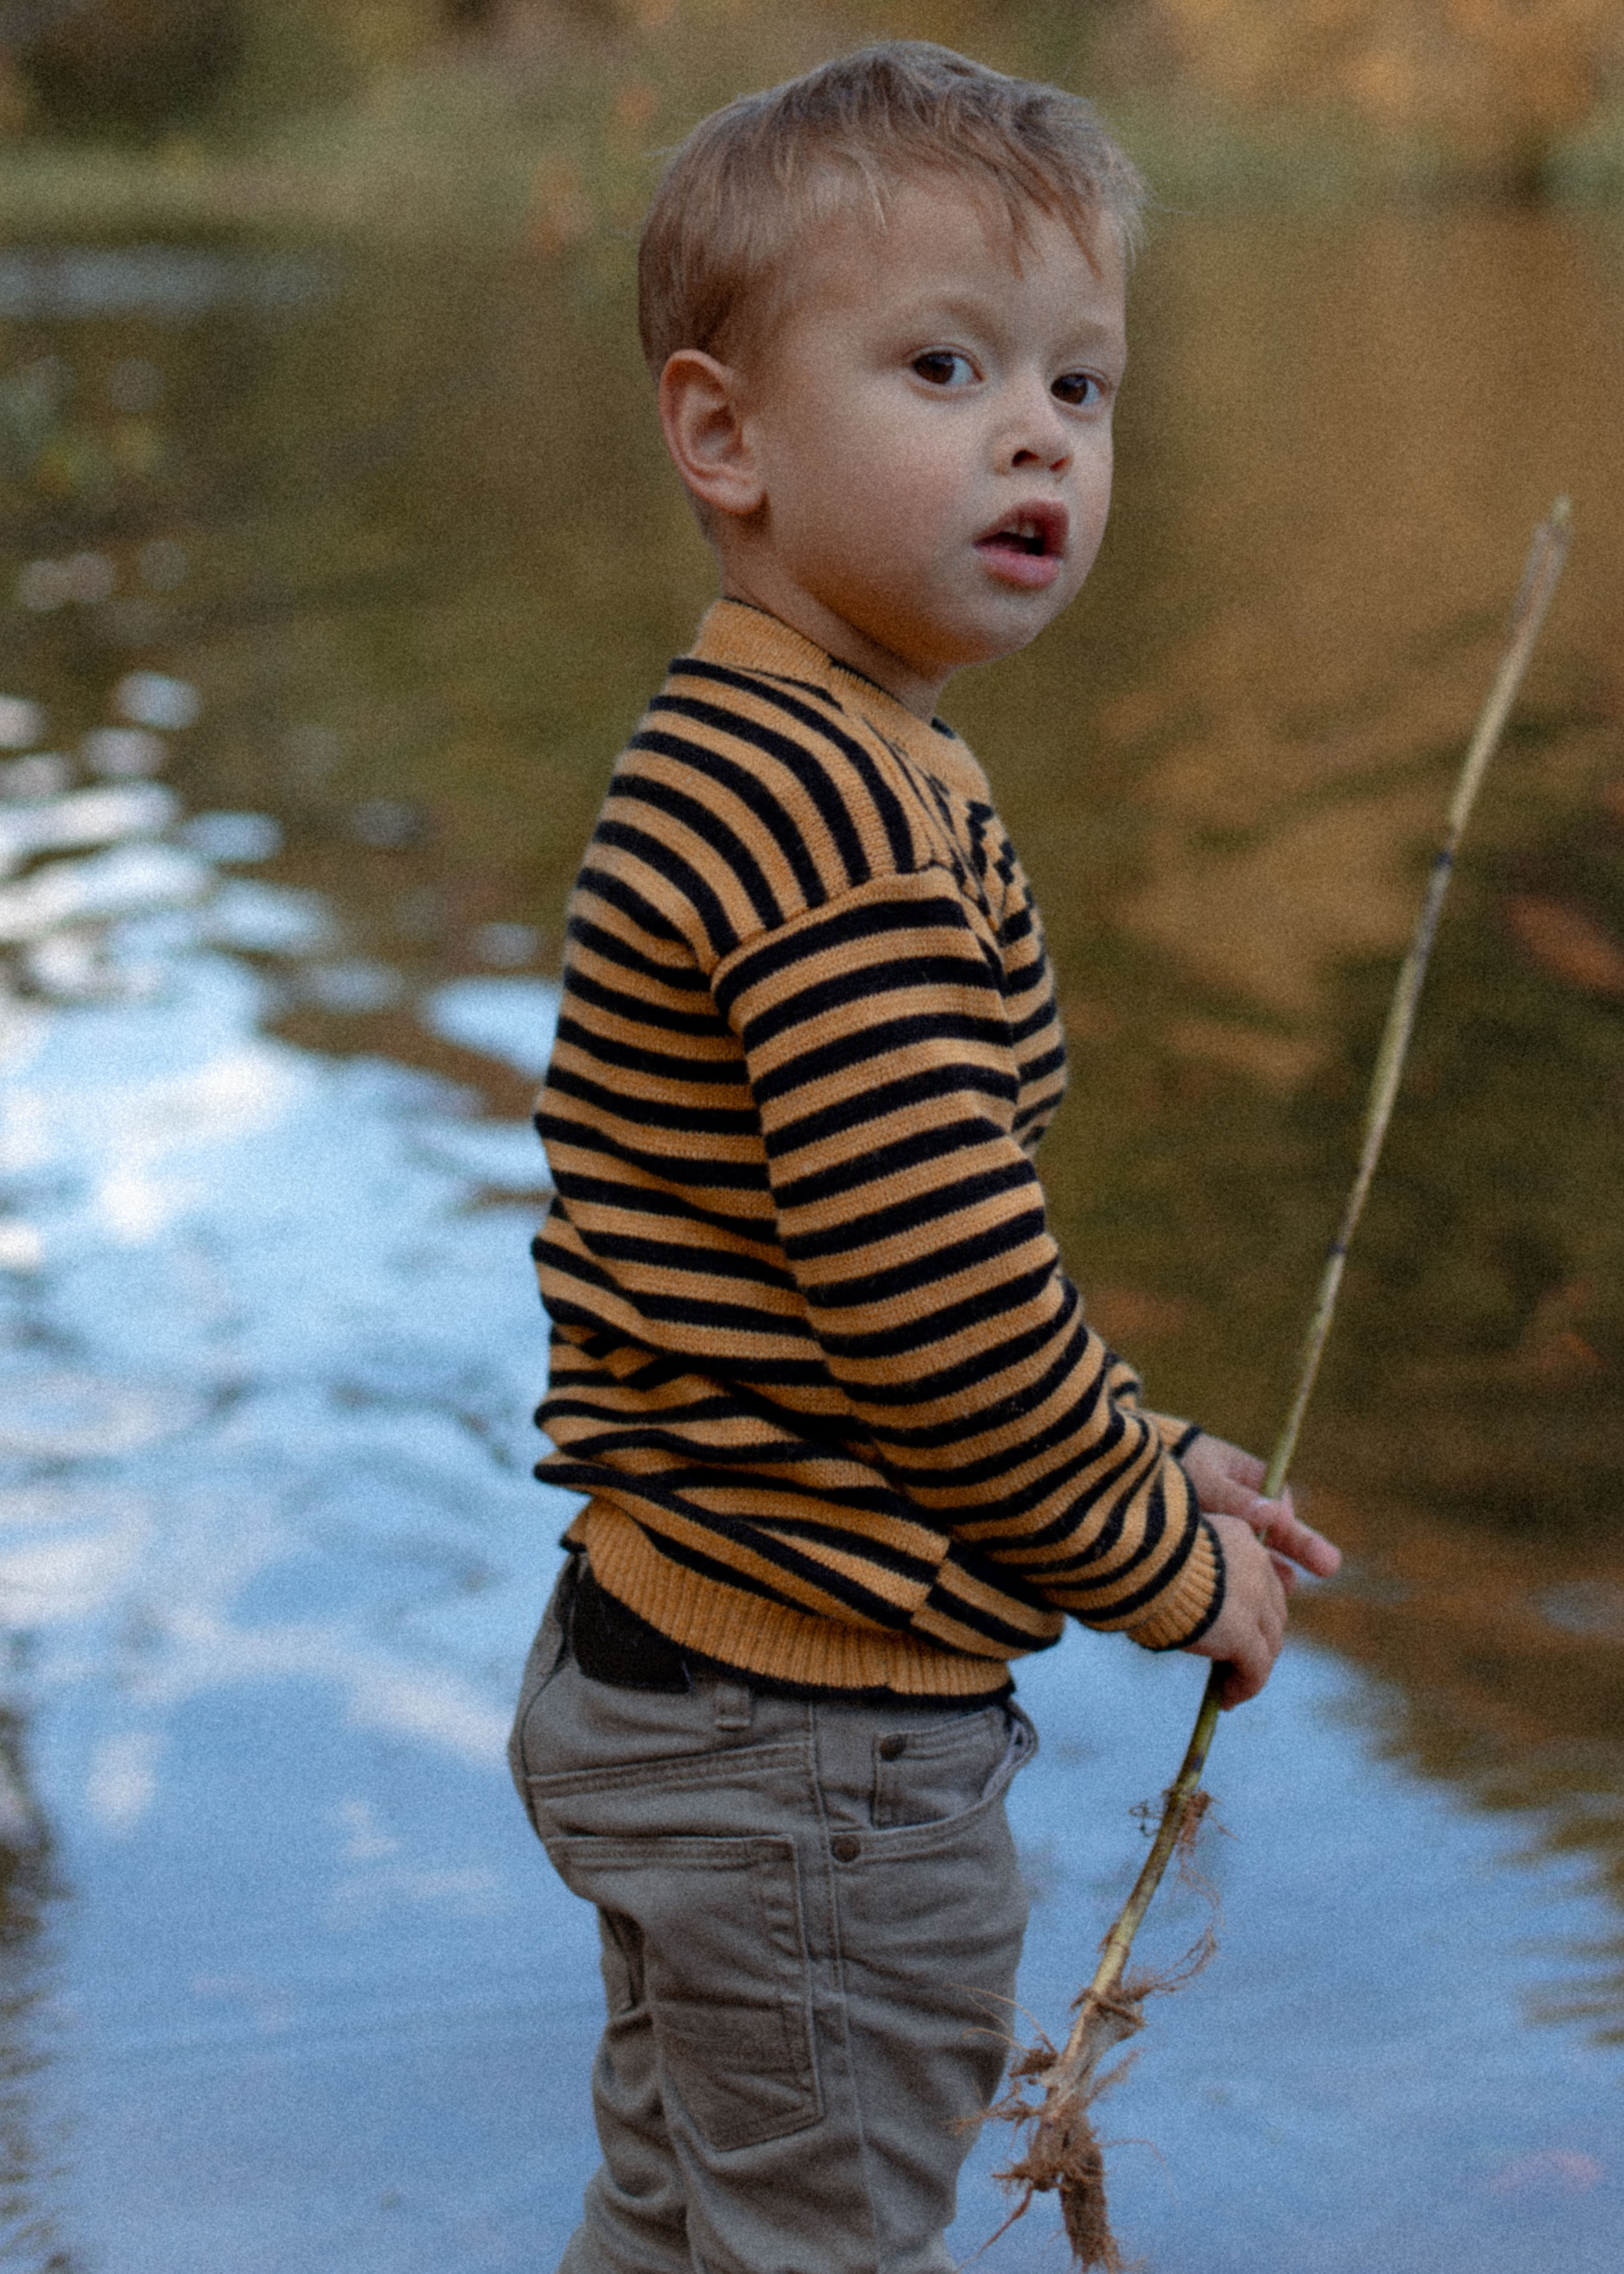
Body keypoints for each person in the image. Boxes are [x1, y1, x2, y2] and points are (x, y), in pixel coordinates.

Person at [508, 39, 1340, 2274]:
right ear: (726, 434)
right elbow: (950, 1329)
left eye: (1082, 386)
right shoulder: (842, 830)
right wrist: (1166, 1571)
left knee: (688, 2213)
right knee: (816, 2241)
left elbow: (861, 1273)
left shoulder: (765, 741)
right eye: (948, 365)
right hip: (807, 1746)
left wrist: (1146, 1452)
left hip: (671, 1656)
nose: (1036, 434)